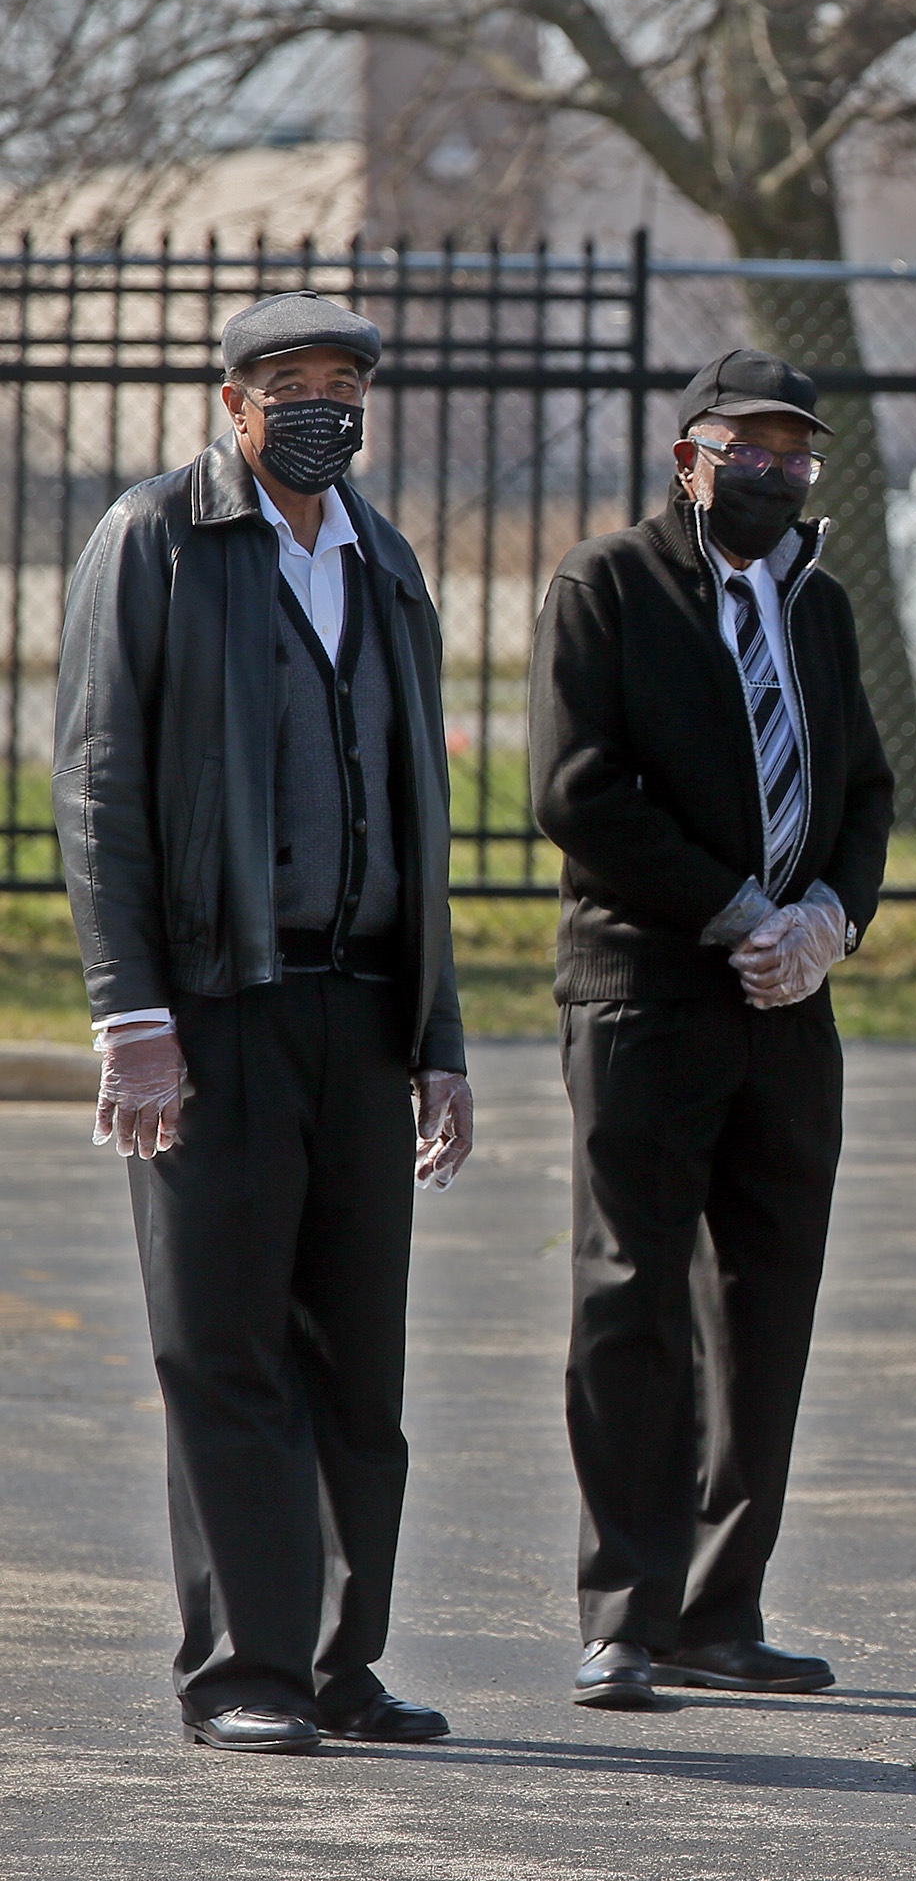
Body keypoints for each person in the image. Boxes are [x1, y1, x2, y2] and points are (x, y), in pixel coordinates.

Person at [55, 291, 474, 1753]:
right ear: (230, 404)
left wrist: (439, 1037)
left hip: (361, 1008)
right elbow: (99, 784)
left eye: (343, 380)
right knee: (226, 1349)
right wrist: (132, 1013)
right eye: (287, 381)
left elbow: (418, 815)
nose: (321, 405)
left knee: (360, 1364)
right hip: (214, 1004)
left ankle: (343, 1664)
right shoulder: (157, 538)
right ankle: (246, 1670)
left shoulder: (384, 557)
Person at [529, 349, 893, 1710]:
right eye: (748, 447)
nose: (775, 472)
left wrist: (826, 922)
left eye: (795, 452)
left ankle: (719, 1609)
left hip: (789, 1001)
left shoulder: (820, 603)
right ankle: (626, 1613)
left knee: (766, 1304)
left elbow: (865, 788)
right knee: (631, 1298)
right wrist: (740, 911)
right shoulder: (607, 585)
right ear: (690, 458)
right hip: (648, 990)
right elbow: (578, 791)